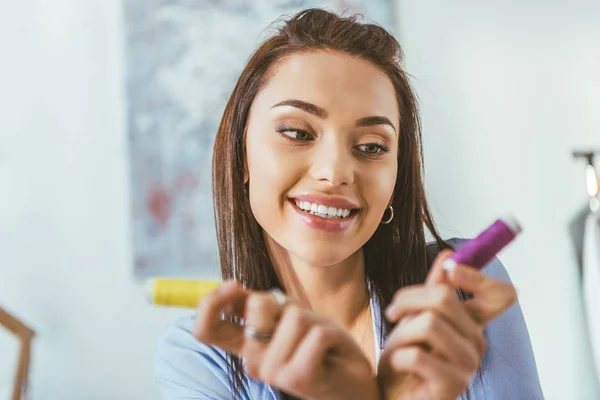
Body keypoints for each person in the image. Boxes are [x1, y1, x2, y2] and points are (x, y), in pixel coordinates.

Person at [154, 8, 544, 400]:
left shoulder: (465, 287)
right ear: (242, 158)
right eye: (296, 132)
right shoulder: (200, 355)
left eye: (372, 146)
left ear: (395, 178)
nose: (335, 171)